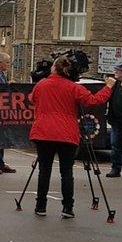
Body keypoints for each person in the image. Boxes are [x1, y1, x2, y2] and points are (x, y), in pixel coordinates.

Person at [30, 56, 115, 218]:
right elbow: (94, 100)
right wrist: (108, 87)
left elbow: (32, 99)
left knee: (44, 170)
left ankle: (41, 206)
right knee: (66, 171)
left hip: (43, 131)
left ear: (54, 68)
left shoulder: (42, 85)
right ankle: (68, 207)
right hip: (66, 133)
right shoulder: (73, 87)